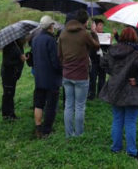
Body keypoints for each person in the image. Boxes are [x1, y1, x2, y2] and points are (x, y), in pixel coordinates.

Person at [99, 27, 138, 159]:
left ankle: (116, 148)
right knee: (130, 122)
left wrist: (114, 74)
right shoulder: (136, 53)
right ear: (135, 38)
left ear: (121, 36)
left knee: (117, 120)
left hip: (115, 89)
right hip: (132, 91)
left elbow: (103, 63)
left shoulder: (112, 50)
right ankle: (131, 151)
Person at [58, 9, 100, 138]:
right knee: (80, 106)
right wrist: (94, 32)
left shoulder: (63, 33)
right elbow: (96, 46)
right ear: (85, 22)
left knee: (68, 105)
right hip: (81, 75)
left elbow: (59, 55)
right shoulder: (84, 34)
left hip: (67, 74)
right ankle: (79, 134)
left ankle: (68, 134)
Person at [32, 15, 62, 138]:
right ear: (51, 26)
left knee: (39, 103)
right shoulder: (50, 40)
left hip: (38, 77)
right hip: (51, 78)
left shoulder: (35, 39)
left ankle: (38, 127)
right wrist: (61, 70)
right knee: (51, 104)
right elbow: (55, 62)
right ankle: (46, 130)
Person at [1, 37, 26, 120]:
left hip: (14, 74)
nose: (25, 39)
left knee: (10, 94)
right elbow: (6, 62)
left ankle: (8, 114)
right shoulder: (9, 46)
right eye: (24, 37)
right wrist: (20, 60)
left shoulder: (18, 45)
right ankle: (8, 115)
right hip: (8, 74)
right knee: (8, 94)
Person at [88, 18, 109, 100]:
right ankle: (91, 94)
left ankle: (101, 94)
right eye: (100, 25)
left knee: (102, 78)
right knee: (92, 78)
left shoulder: (105, 35)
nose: (102, 27)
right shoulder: (91, 35)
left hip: (102, 60)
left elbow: (108, 48)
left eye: (102, 25)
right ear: (95, 26)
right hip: (93, 60)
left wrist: (109, 43)